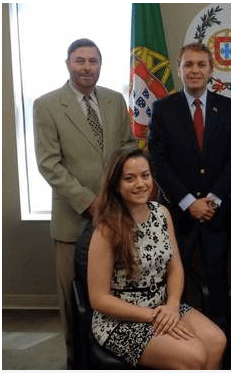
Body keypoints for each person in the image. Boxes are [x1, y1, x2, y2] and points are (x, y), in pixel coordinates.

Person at [33, 38, 134, 368]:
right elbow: (49, 164)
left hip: (117, 216)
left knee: (114, 293)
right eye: (80, 61)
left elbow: (128, 148)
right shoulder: (47, 105)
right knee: (73, 298)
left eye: (93, 61)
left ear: (101, 65)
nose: (87, 67)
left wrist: (122, 193)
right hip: (73, 220)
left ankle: (113, 356)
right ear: (68, 64)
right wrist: (89, 202)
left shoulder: (115, 100)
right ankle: (75, 360)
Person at [88, 146, 226, 369]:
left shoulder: (161, 213)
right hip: (122, 320)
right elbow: (99, 299)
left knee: (217, 342)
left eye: (145, 175)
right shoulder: (106, 230)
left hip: (163, 307)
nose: (141, 184)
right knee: (194, 355)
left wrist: (171, 306)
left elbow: (175, 268)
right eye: (130, 178)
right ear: (116, 185)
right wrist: (152, 316)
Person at [148, 43, 231, 328]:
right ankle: (178, 337)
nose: (195, 70)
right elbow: (159, 162)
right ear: (179, 69)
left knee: (217, 279)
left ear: (211, 70)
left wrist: (211, 200)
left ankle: (219, 342)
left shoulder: (228, 107)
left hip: (218, 214)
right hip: (178, 214)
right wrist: (190, 202)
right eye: (188, 64)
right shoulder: (163, 109)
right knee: (176, 280)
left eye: (201, 64)